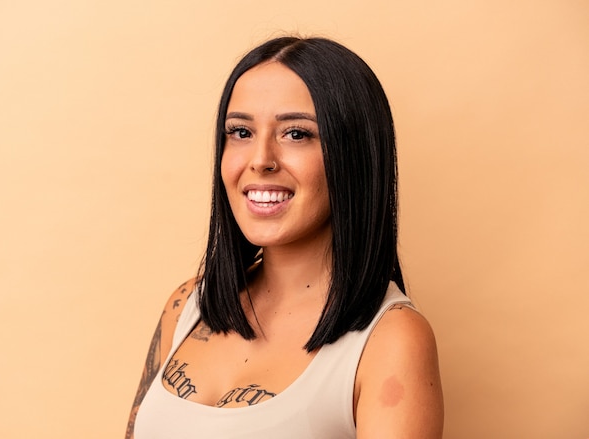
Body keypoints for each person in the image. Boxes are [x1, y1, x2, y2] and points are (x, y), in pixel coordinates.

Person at [125, 36, 443, 438]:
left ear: (353, 156)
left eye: (296, 134)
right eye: (240, 132)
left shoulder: (392, 340)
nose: (260, 160)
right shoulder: (187, 305)